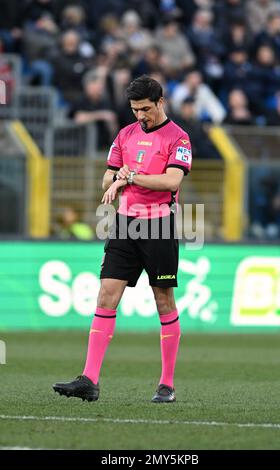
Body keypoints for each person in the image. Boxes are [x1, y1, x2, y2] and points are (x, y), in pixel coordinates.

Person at [53, 75, 192, 403]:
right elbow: (106, 178)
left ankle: (167, 384)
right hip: (125, 225)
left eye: (145, 109)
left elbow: (171, 181)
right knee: (106, 296)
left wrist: (129, 176)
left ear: (160, 102)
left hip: (158, 226)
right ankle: (89, 379)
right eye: (134, 109)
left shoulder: (178, 137)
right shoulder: (125, 134)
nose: (140, 115)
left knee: (163, 301)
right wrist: (118, 177)